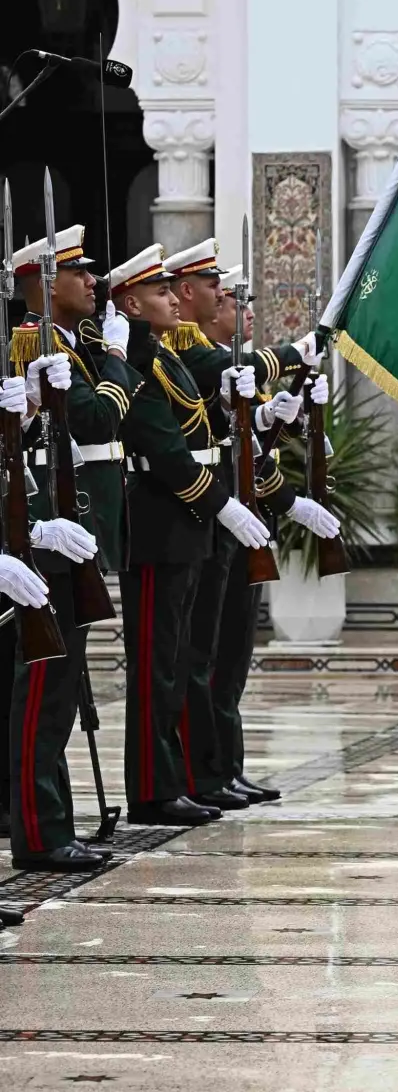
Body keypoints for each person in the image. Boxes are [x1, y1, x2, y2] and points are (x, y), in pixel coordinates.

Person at [109, 244, 273, 826]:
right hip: (160, 524)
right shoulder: (135, 360)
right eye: (160, 293)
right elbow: (165, 450)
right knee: (158, 663)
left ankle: (178, 780)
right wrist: (222, 505)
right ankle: (154, 790)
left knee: (180, 659)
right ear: (131, 302)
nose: (173, 299)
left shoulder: (160, 355)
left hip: (186, 523)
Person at [6, 226, 132, 871]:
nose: (93, 283)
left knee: (58, 691)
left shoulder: (70, 346)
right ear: (45, 284)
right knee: (43, 688)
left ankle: (50, 821)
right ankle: (38, 828)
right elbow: (98, 419)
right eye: (79, 274)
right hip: (43, 535)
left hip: (68, 532)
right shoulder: (32, 344)